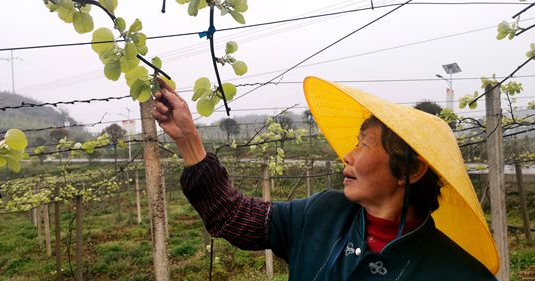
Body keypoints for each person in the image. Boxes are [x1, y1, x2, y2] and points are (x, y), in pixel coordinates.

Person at [151, 76, 499, 280]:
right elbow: (232, 215)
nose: (348, 155)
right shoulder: (322, 213)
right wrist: (188, 140)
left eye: (364, 145)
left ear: (409, 169)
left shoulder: (458, 273)